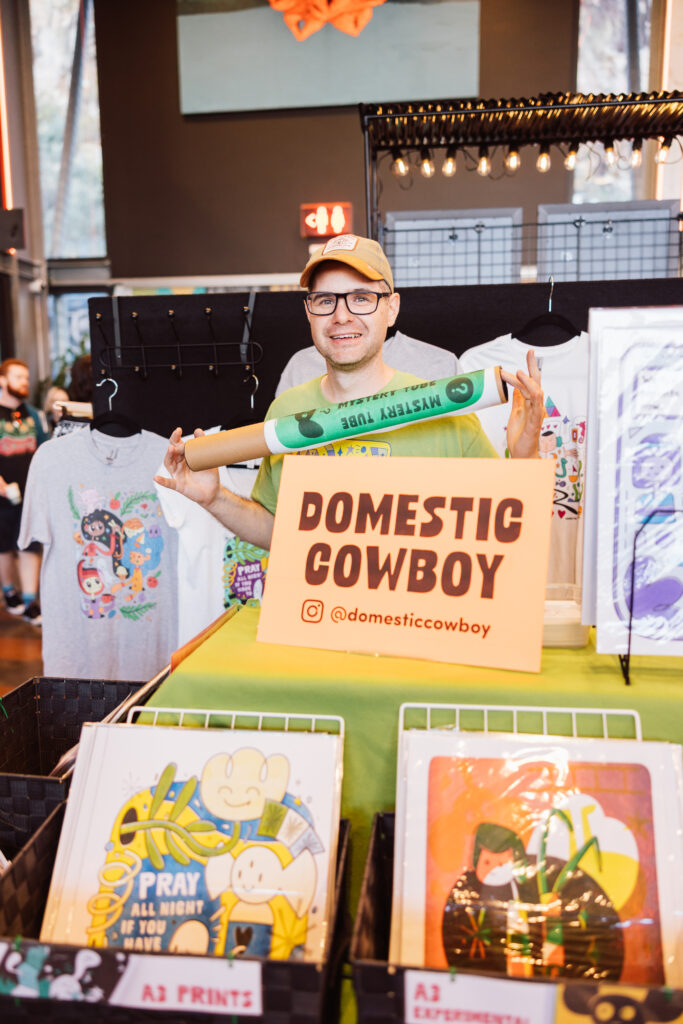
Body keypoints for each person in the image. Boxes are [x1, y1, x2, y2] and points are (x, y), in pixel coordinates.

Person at [155, 234, 543, 551]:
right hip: (316, 630)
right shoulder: (287, 411)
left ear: (390, 309)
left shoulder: (441, 409)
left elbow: (507, 534)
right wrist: (214, 497)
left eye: (361, 298)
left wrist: (526, 457)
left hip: (415, 633)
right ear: (309, 313)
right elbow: (280, 531)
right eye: (326, 300)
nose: (342, 316)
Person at [0, 358, 47, 622]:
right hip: (2, 497)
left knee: (30, 544)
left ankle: (30, 601)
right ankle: (9, 593)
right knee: (4, 547)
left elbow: (44, 450)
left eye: (26, 378)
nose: (24, 382)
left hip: (31, 494)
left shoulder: (34, 415)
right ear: (2, 381)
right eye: (18, 377)